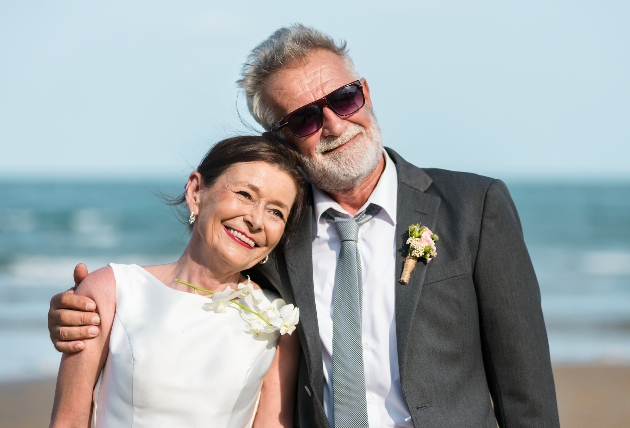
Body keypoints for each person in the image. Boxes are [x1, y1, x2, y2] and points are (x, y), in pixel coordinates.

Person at [48, 25, 560, 427]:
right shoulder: (276, 233)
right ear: (284, 138)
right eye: (306, 119)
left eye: (343, 98)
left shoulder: (474, 205)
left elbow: (525, 384)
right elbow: (197, 287)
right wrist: (80, 312)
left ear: (366, 93)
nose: (335, 124)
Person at [49, 135, 307, 427]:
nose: (256, 220)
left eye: (276, 211)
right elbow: (67, 420)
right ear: (196, 191)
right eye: (245, 194)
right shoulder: (112, 290)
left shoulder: (279, 321)